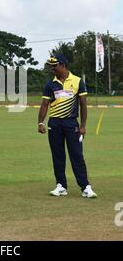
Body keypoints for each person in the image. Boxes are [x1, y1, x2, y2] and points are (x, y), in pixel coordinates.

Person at [38, 54, 97, 198]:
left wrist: (83, 126)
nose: (52, 69)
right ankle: (61, 186)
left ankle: (86, 187)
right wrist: (40, 122)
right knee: (58, 156)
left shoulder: (77, 81)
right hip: (55, 123)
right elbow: (44, 104)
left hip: (72, 123)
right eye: (51, 66)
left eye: (55, 66)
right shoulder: (50, 84)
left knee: (76, 155)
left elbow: (83, 104)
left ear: (63, 65)